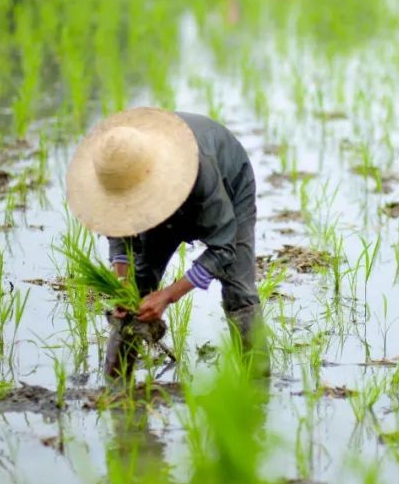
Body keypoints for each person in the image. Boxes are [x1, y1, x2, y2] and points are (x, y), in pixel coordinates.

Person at [66, 108, 267, 382]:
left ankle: (258, 385)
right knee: (136, 289)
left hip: (228, 184)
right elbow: (117, 227)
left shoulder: (200, 170)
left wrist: (169, 295)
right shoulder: (119, 174)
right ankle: (115, 384)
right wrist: (123, 284)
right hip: (157, 186)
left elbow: (224, 248)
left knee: (239, 289)